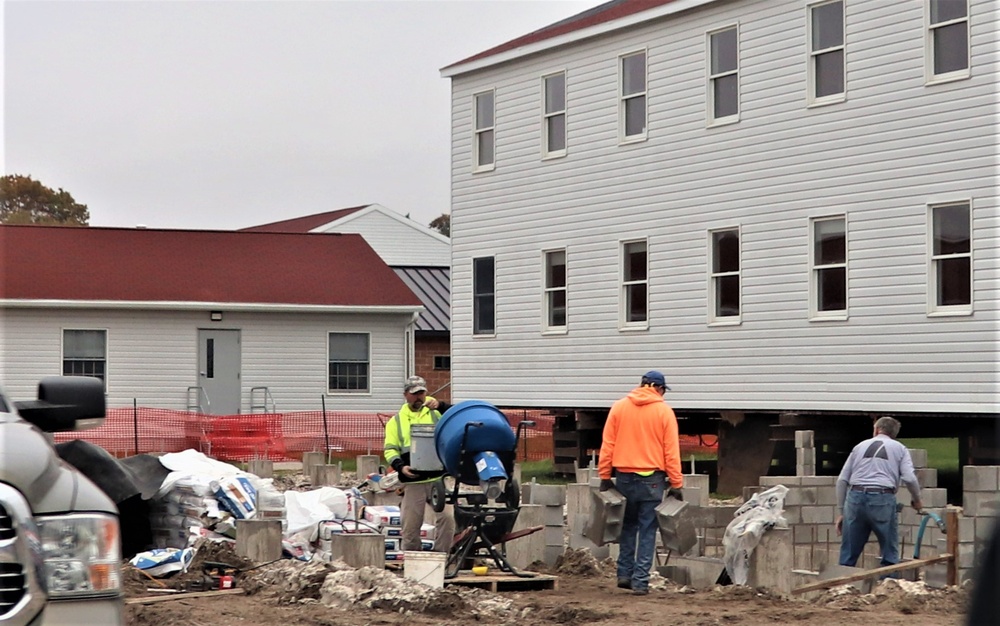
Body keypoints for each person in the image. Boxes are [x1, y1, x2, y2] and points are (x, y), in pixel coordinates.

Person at [597, 370, 684, 595]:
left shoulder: (619, 407)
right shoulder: (664, 411)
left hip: (624, 476)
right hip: (652, 479)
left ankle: (624, 574)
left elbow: (608, 445)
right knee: (647, 529)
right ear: (660, 389)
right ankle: (641, 582)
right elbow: (671, 451)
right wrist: (676, 483)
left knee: (627, 525)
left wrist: (605, 476)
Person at [835, 416, 922, 568]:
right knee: (889, 552)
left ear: (876, 429)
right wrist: (917, 499)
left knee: (848, 553)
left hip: (855, 498)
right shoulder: (900, 448)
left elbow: (842, 480)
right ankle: (888, 586)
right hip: (882, 499)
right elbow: (909, 478)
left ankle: (842, 587)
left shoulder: (859, 446)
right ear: (894, 434)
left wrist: (842, 512)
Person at [383, 375, 456, 553]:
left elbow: (457, 416)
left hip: (437, 479)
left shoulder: (436, 412)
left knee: (447, 519)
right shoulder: (396, 421)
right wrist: (401, 467)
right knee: (410, 528)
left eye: (421, 393)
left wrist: (441, 405)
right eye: (414, 393)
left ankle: (440, 560)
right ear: (405, 395)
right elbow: (390, 450)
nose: (419, 397)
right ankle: (413, 564)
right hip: (413, 481)